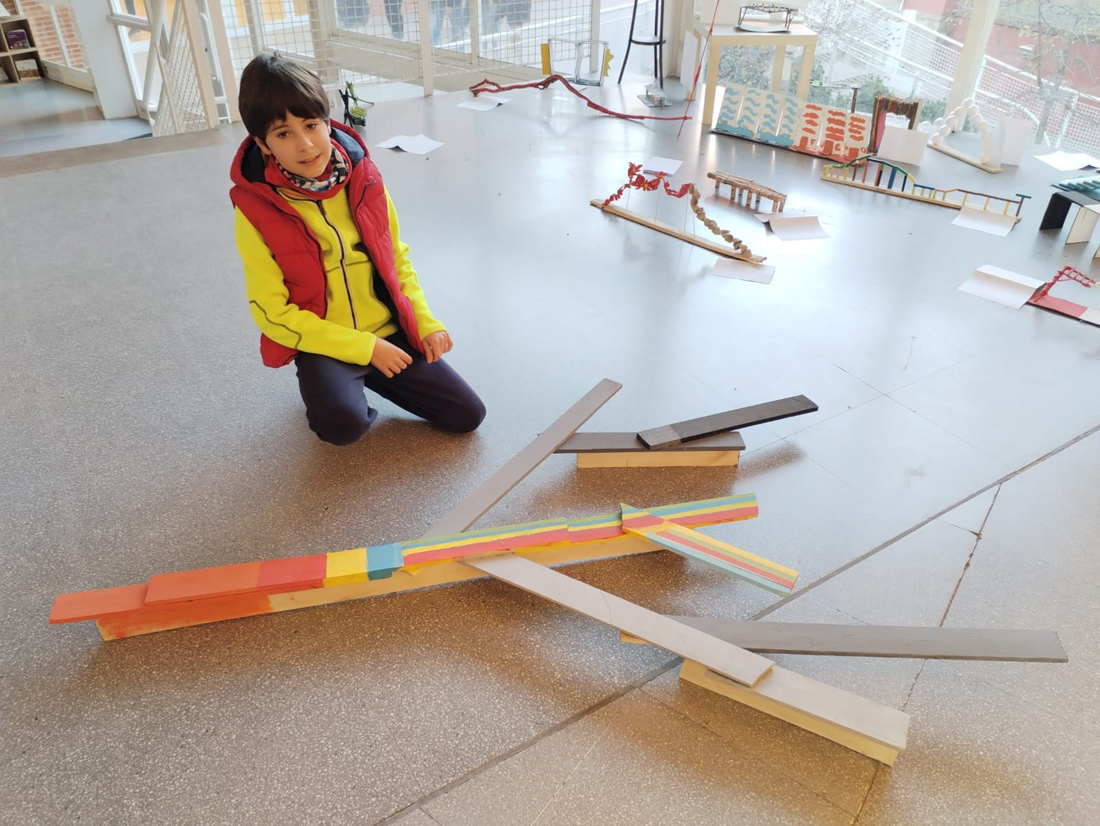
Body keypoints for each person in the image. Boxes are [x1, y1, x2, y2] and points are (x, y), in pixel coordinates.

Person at [229, 54, 485, 446]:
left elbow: (395, 258)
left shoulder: (364, 179)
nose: (306, 143)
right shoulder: (254, 210)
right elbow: (270, 312)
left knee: (467, 415)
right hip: (324, 344)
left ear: (327, 122)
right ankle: (335, 386)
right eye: (283, 134)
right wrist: (364, 349)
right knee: (342, 427)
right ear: (262, 144)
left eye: (312, 125)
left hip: (388, 330)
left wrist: (425, 322)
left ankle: (365, 379)